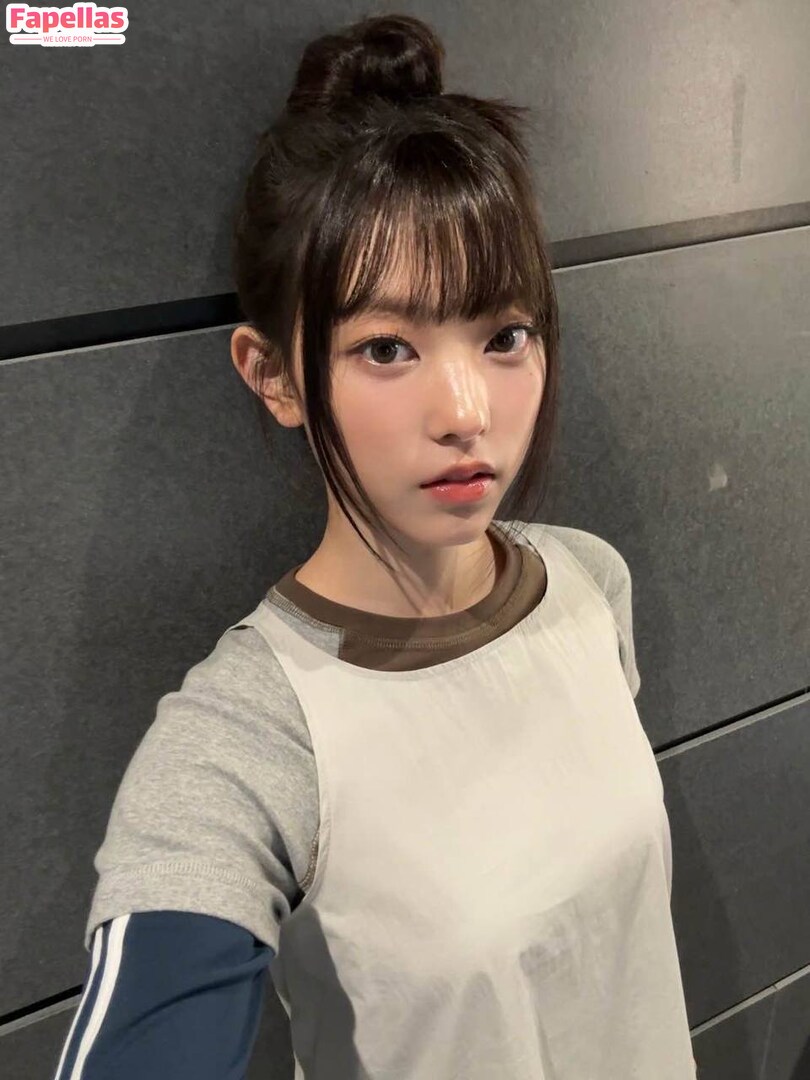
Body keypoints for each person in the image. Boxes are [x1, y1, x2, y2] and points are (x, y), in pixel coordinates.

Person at [53, 12, 698, 1079]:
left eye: (505, 336)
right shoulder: (247, 742)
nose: (466, 411)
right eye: (388, 347)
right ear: (273, 375)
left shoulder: (588, 582)